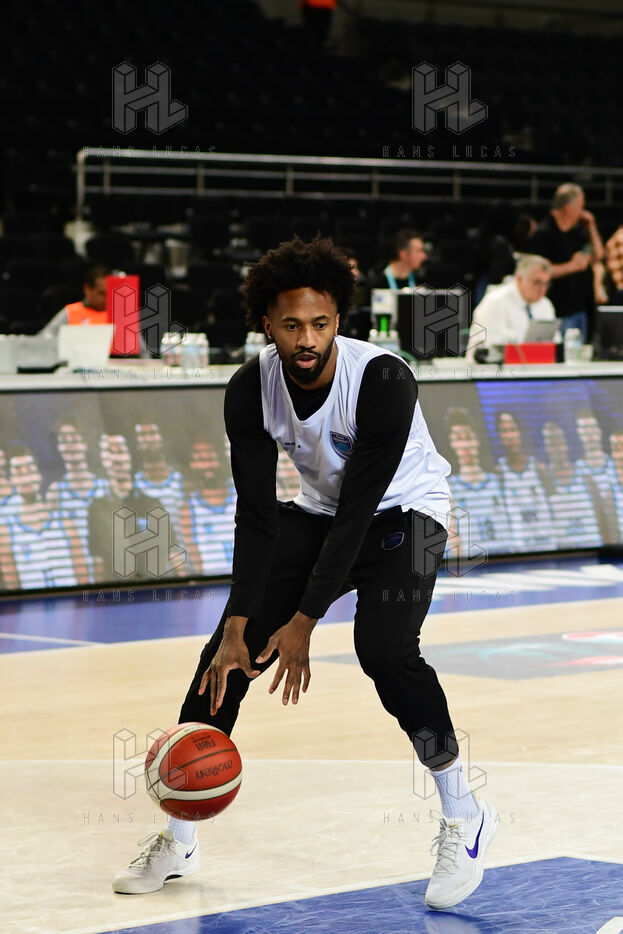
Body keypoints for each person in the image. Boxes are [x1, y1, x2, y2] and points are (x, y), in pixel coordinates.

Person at [113, 237, 497, 911]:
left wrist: (304, 620)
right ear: (266, 323)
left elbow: (360, 509)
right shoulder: (249, 388)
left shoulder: (383, 380)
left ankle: (463, 814)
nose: (307, 339)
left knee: (385, 651)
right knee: (223, 659)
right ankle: (180, 836)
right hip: (320, 513)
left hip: (407, 514)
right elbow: (257, 515)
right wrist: (240, 621)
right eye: (291, 325)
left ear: (338, 320)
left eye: (320, 323)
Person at [88, 434, 183, 583]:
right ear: (103, 459)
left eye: (120, 451)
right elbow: (98, 561)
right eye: (110, 452)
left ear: (129, 457)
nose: (116, 459)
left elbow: (173, 552)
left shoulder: (152, 504)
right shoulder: (97, 509)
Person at [0, 444, 89, 590]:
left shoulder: (65, 523)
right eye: (19, 473)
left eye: (30, 470)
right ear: (12, 480)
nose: (26, 479)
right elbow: (13, 585)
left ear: (39, 475)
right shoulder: (6, 533)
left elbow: (83, 577)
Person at [528, 183, 605, 341]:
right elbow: (538, 272)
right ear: (569, 208)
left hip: (582, 308)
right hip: (559, 309)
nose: (583, 212)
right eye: (581, 207)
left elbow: (598, 255)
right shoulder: (544, 233)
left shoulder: (578, 231)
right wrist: (572, 266)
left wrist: (591, 227)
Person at [38, 264, 150, 358]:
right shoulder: (71, 312)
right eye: (101, 293)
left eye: (110, 293)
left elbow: (143, 353)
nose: (106, 299)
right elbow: (44, 339)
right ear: (87, 289)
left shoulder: (122, 315)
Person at [445, 407, 513, 555]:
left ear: (477, 440)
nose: (465, 445)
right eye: (459, 439)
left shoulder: (499, 481)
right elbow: (453, 540)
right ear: (452, 443)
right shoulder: (449, 488)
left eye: (468, 438)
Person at [466, 254, 556, 361]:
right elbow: (489, 348)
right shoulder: (496, 301)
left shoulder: (545, 304)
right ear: (519, 279)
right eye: (537, 282)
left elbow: (555, 342)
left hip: (534, 367)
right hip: (492, 370)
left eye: (546, 284)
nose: (542, 289)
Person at [495, 411, 556, 552]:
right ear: (499, 437)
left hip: (548, 545)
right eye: (504, 431)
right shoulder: (498, 473)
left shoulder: (539, 469)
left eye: (513, 430)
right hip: (519, 549)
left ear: (520, 433)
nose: (510, 436)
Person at [178, 435, 236, 576]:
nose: (207, 464)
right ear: (192, 464)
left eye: (210, 456)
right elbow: (194, 555)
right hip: (213, 583)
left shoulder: (241, 493)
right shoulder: (188, 509)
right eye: (200, 458)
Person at [539, 421, 601, 549]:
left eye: (559, 441)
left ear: (566, 444)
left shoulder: (585, 476)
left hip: (593, 547)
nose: (557, 448)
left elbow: (601, 516)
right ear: (546, 448)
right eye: (551, 443)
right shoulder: (544, 482)